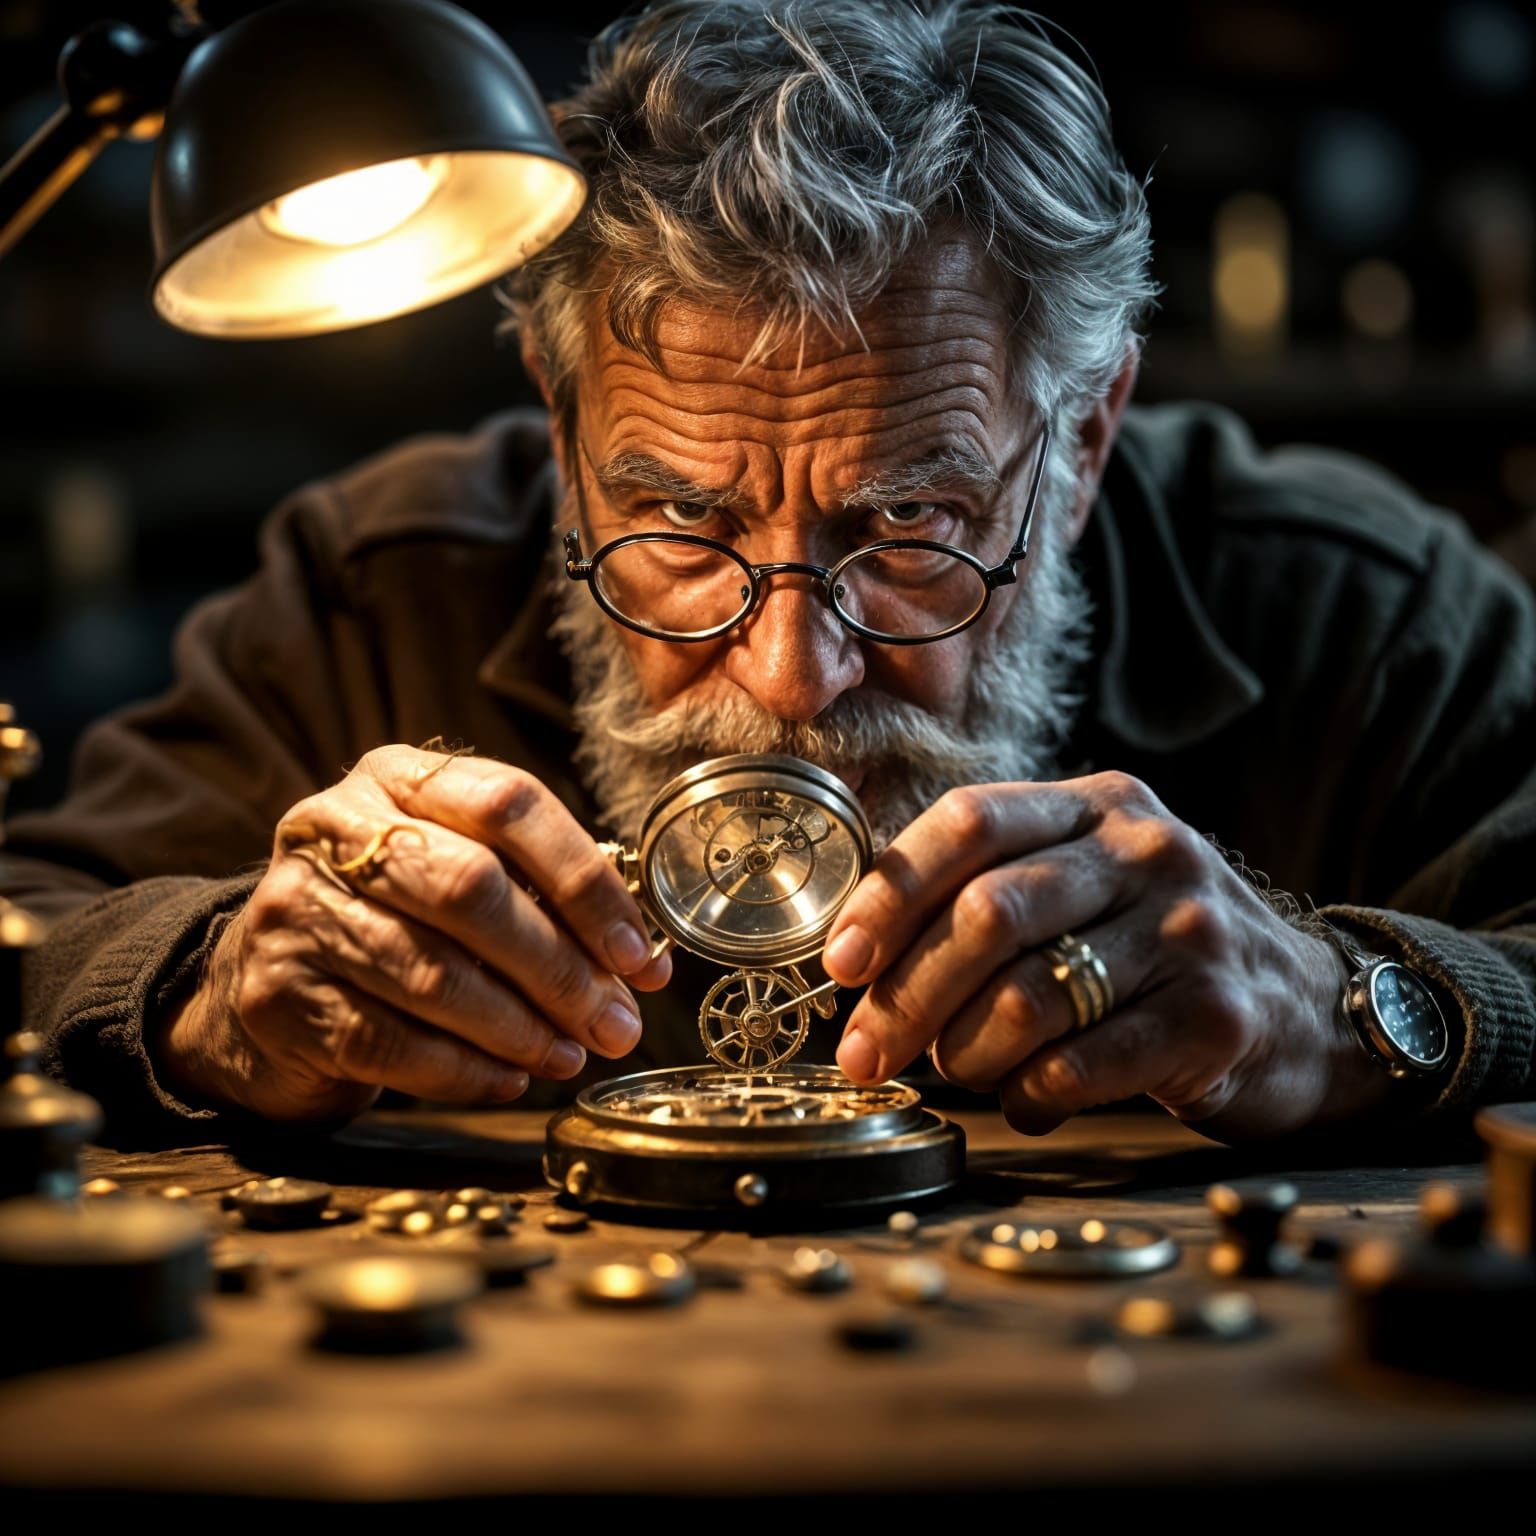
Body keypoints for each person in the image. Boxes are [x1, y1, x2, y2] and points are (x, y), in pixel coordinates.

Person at [7, 0, 1534, 1148]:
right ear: (562, 431)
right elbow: (31, 926)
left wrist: (1352, 1007)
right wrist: (209, 994)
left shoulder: (1358, 607)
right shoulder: (375, 589)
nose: (794, 676)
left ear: (1080, 442)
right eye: (679, 526)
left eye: (909, 530)